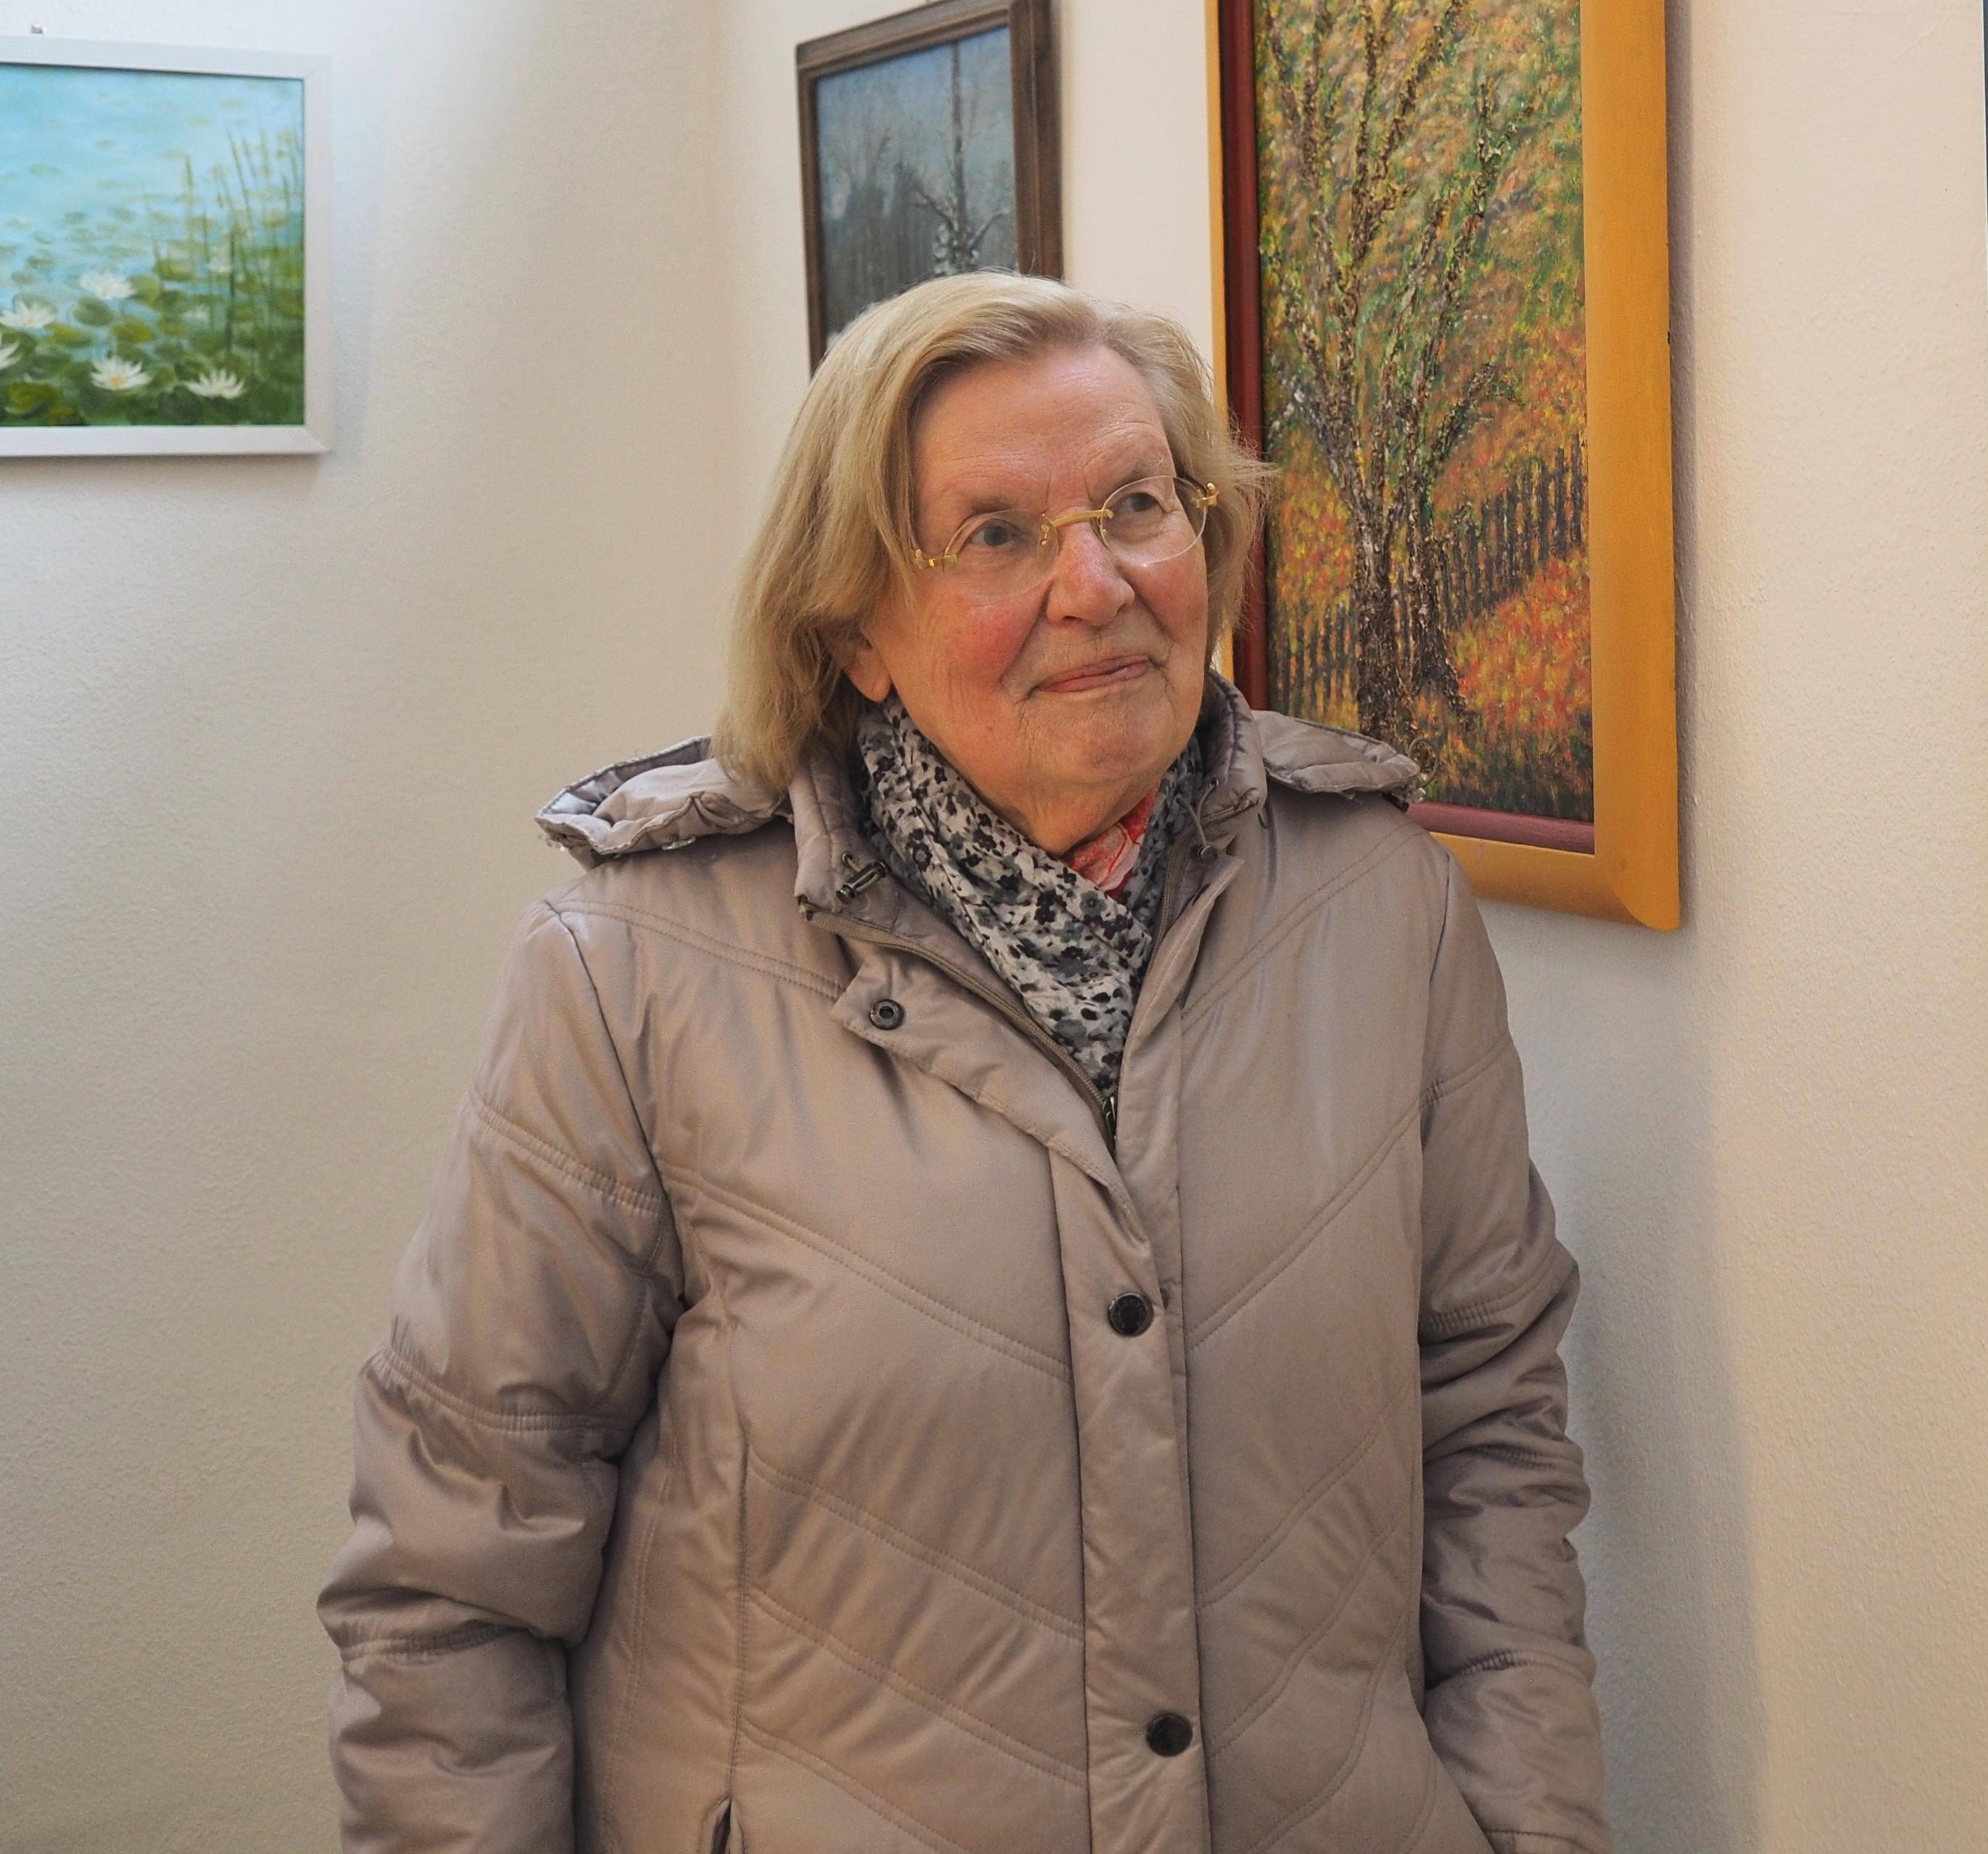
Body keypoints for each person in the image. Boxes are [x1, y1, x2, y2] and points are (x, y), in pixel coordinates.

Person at [320, 273, 1607, 1854]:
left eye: (1138, 505)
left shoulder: (1381, 907)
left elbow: (1487, 1430)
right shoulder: (635, 970)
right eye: (997, 535)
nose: (1099, 583)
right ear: (853, 621)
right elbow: (455, 1577)